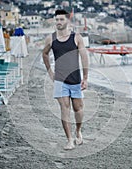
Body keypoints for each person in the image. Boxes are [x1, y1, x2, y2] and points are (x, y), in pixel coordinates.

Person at [42, 9, 89, 150]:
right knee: (64, 109)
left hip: (75, 79)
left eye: (61, 19)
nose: (58, 22)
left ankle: (78, 131)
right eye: (57, 20)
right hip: (60, 80)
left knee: (78, 109)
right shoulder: (51, 38)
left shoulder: (76, 37)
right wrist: (50, 71)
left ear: (68, 20)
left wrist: (85, 78)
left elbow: (84, 57)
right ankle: (69, 140)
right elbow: (44, 54)